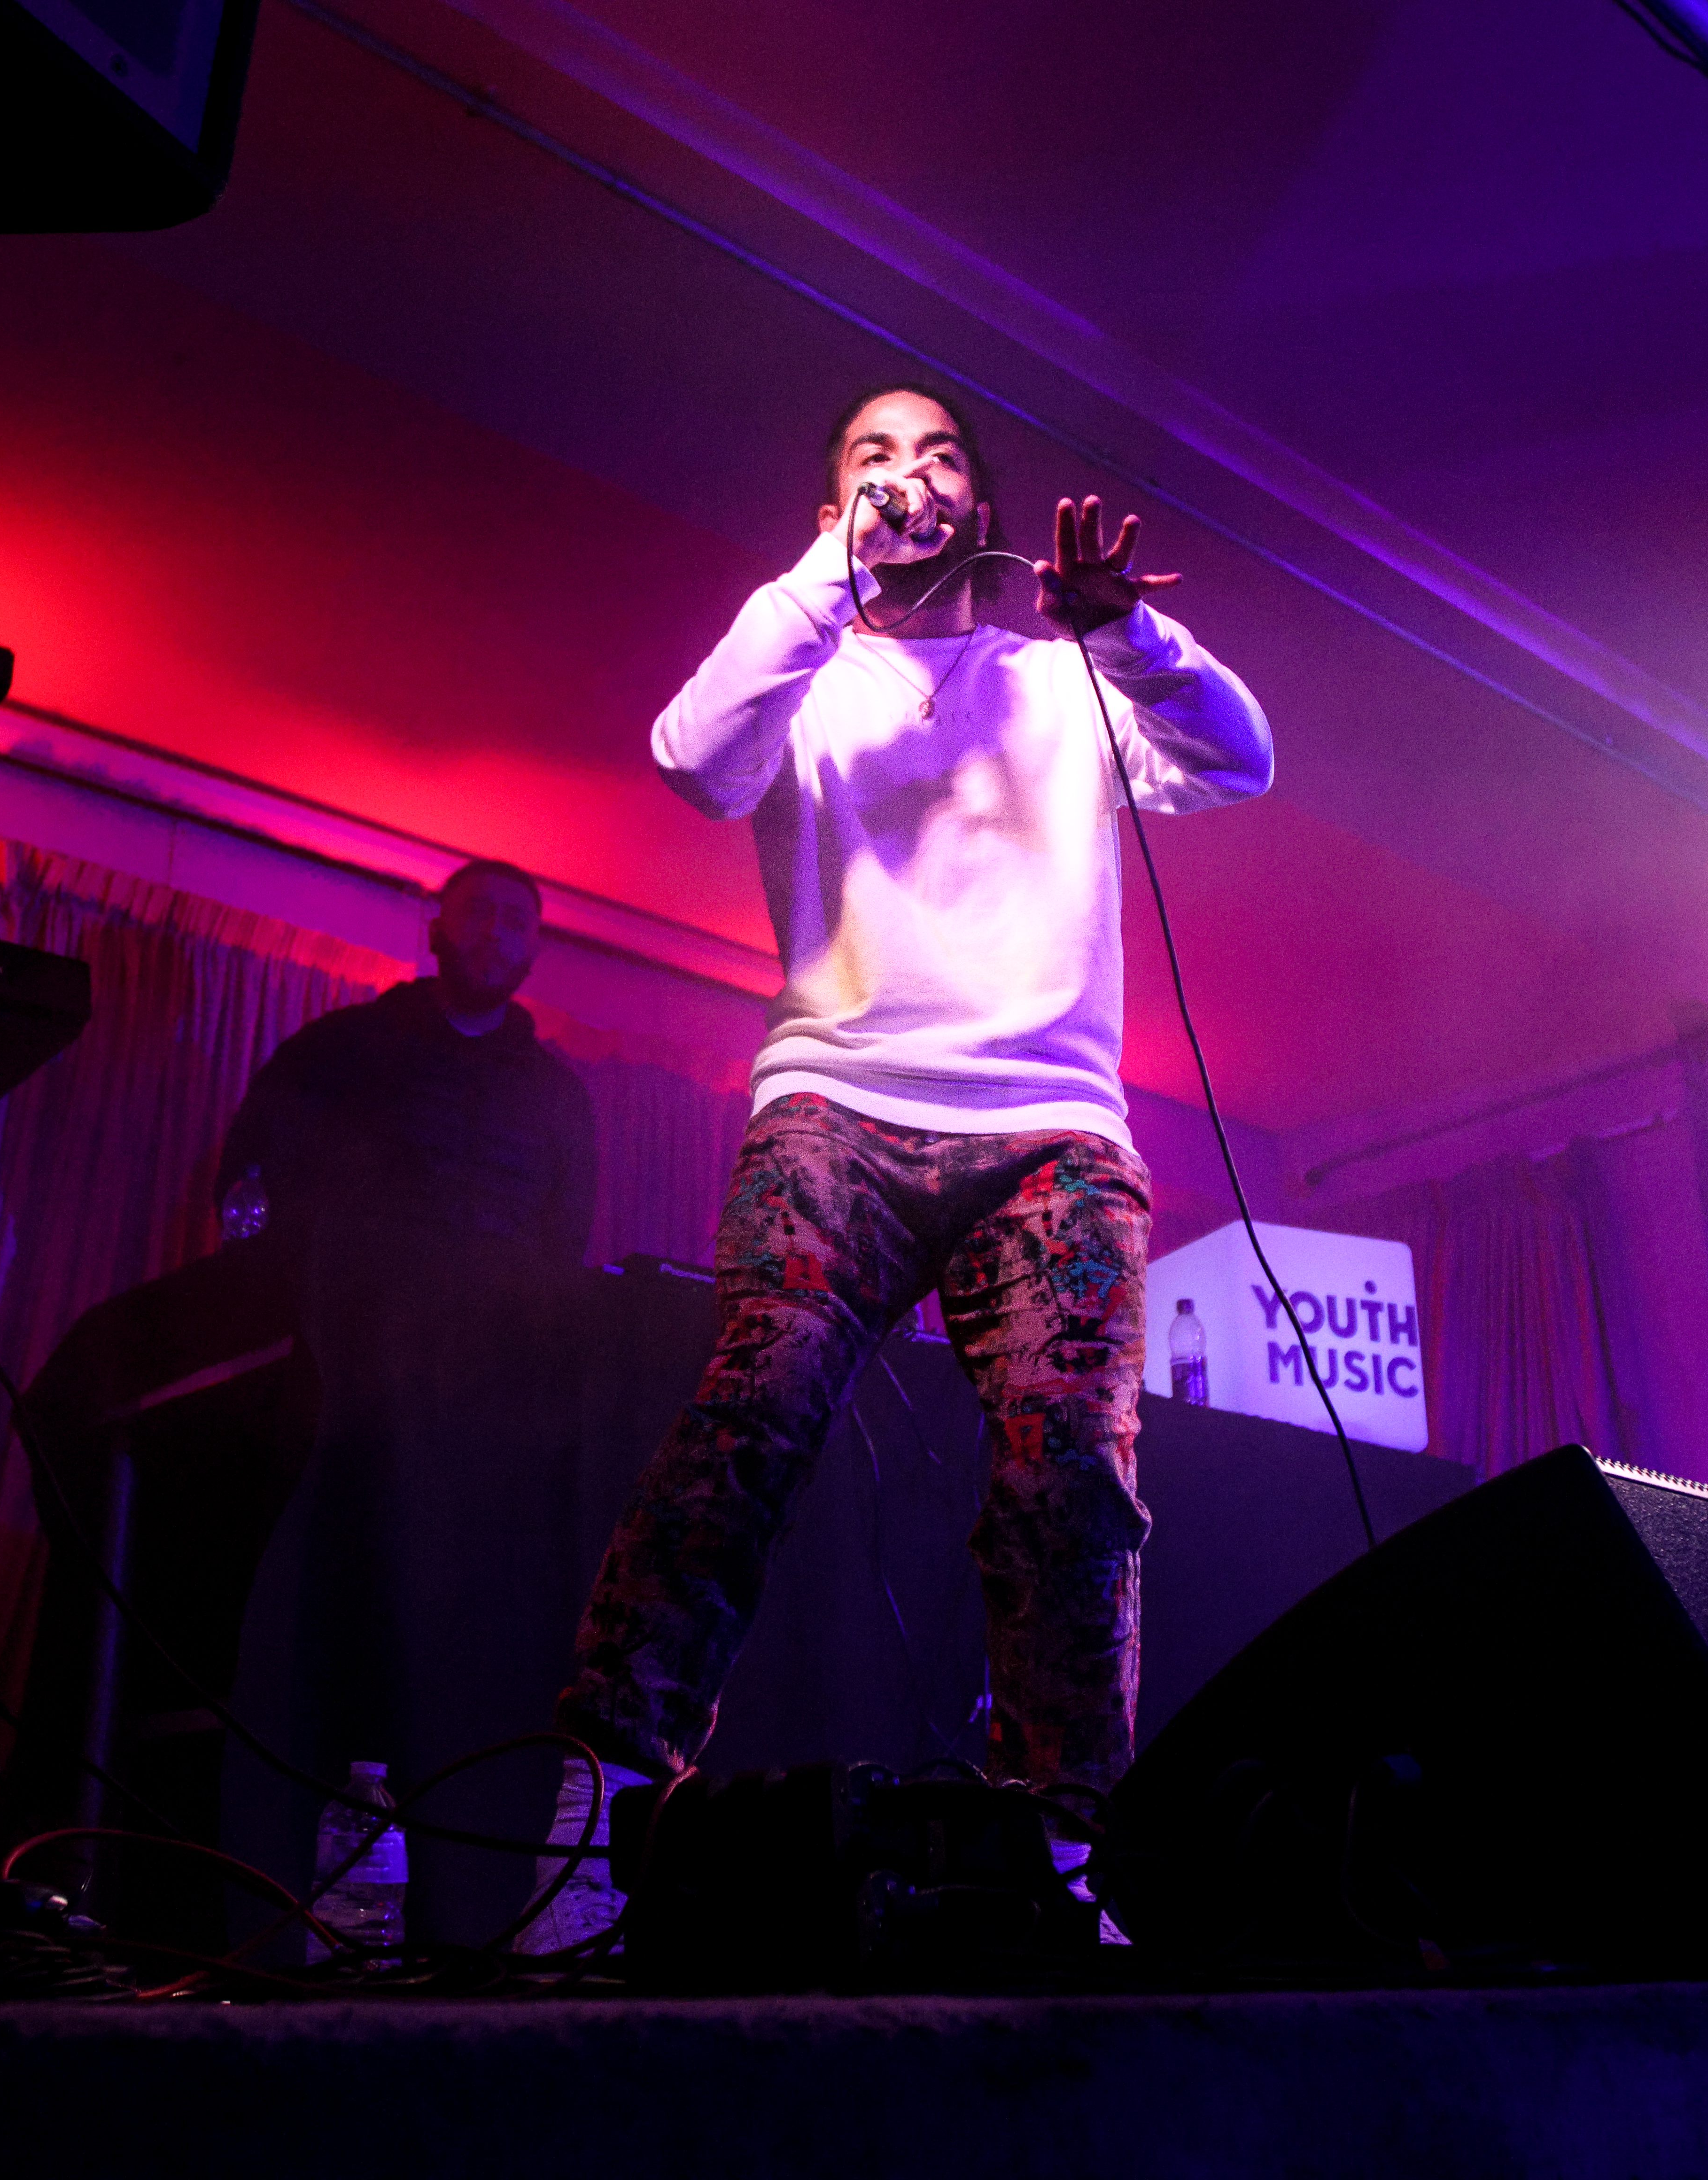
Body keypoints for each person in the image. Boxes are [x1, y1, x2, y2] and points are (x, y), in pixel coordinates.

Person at [524, 382, 1272, 1947]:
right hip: (838, 1110)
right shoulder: (802, 668)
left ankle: (1065, 1859)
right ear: (831, 509)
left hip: (1051, 1132)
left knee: (1073, 1473)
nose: (906, 476)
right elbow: (691, 756)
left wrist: (1125, 631)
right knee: (754, 1414)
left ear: (983, 511)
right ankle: (597, 1811)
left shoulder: (1063, 677)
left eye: (937, 455)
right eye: (871, 457)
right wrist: (822, 583)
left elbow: (1241, 758)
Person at [215, 857, 597, 1272]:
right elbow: (251, 1183)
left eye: (515, 922)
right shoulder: (337, 1046)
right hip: (348, 1327)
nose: (494, 933)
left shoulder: (561, 1098)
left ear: (533, 952)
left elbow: (564, 1248)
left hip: (493, 1335)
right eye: (476, 911)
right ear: (435, 933)